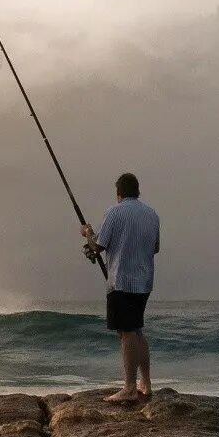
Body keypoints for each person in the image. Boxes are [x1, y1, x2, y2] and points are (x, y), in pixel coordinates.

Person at [80, 172, 160, 403]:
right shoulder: (152, 215)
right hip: (144, 282)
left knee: (126, 333)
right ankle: (146, 382)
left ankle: (129, 387)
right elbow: (155, 247)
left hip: (122, 281)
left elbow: (99, 245)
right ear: (138, 191)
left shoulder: (114, 212)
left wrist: (87, 233)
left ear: (119, 193)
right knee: (136, 330)